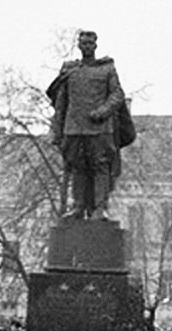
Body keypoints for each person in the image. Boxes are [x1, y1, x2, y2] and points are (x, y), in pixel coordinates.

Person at [47, 29, 130, 221]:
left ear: (95, 45)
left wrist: (102, 112)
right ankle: (78, 206)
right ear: (78, 45)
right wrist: (57, 129)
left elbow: (117, 95)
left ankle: (99, 207)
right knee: (78, 168)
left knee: (101, 167)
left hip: (100, 129)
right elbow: (61, 101)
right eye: (83, 43)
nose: (87, 47)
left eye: (90, 43)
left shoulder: (107, 69)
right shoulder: (70, 70)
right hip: (74, 127)